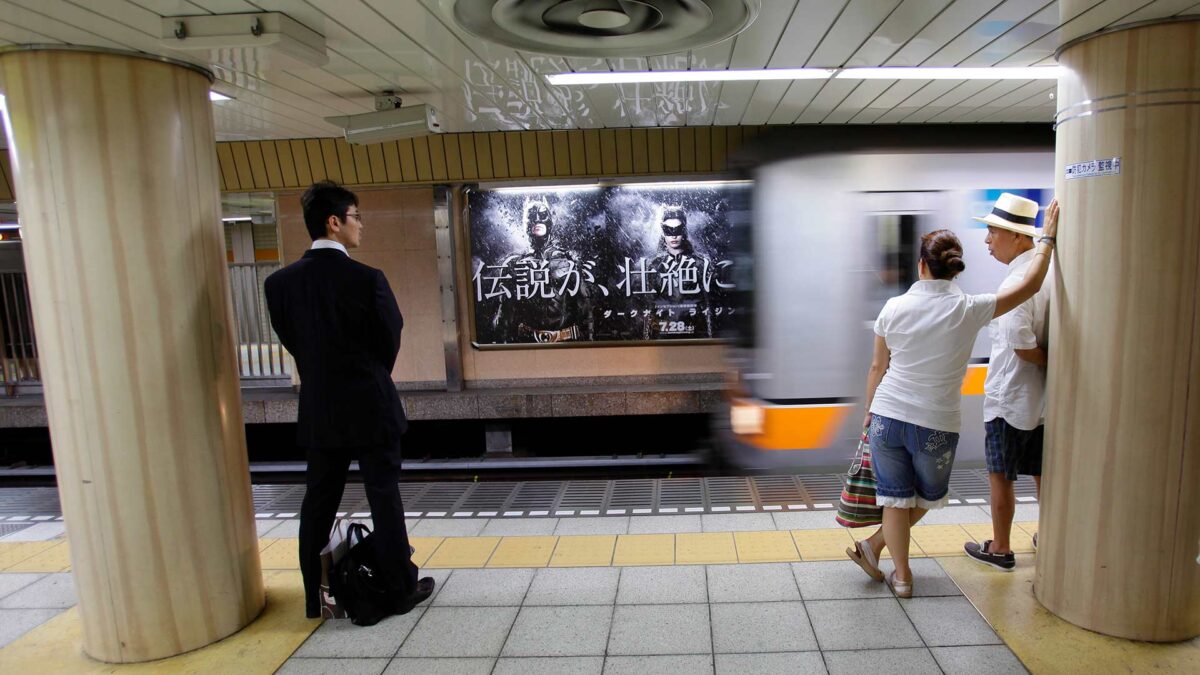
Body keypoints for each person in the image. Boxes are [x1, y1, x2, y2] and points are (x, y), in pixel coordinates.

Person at [846, 199, 1059, 598]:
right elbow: (1029, 285)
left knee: (893, 498)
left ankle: (902, 577)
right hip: (937, 423)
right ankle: (879, 554)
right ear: (954, 268)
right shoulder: (970, 308)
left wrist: (867, 413)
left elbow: (877, 368)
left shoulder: (893, 307)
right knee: (927, 497)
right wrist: (1045, 240)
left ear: (922, 266)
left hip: (888, 415)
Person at [264, 180, 434, 619]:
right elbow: (389, 337)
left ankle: (312, 596)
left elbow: (293, 342)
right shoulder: (367, 280)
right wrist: (368, 375)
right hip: (371, 405)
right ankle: (399, 589)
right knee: (384, 496)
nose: (361, 226)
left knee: (318, 500)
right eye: (357, 217)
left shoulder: (279, 285)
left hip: (321, 409)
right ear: (334, 222)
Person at [965, 194, 1052, 570]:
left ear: (1017, 237)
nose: (986, 241)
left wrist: (1046, 359)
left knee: (1000, 475)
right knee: (1040, 471)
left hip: (1009, 397)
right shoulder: (1046, 270)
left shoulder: (1019, 281)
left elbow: (1020, 343)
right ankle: (1049, 536)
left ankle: (1000, 546)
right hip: (1040, 400)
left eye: (992, 232)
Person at [493, 197, 593, 343]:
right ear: (525, 223)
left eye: (542, 215)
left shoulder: (568, 261)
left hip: (565, 343)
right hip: (528, 344)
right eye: (532, 216)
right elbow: (505, 317)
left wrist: (590, 344)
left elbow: (585, 307)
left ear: (550, 221)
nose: (537, 220)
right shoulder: (514, 265)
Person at [646, 206, 713, 339]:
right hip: (664, 332)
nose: (673, 235)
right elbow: (650, 307)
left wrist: (708, 338)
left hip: (694, 332)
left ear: (684, 229)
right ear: (663, 231)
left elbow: (707, 306)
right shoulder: (654, 266)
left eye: (678, 229)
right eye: (668, 230)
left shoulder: (700, 263)